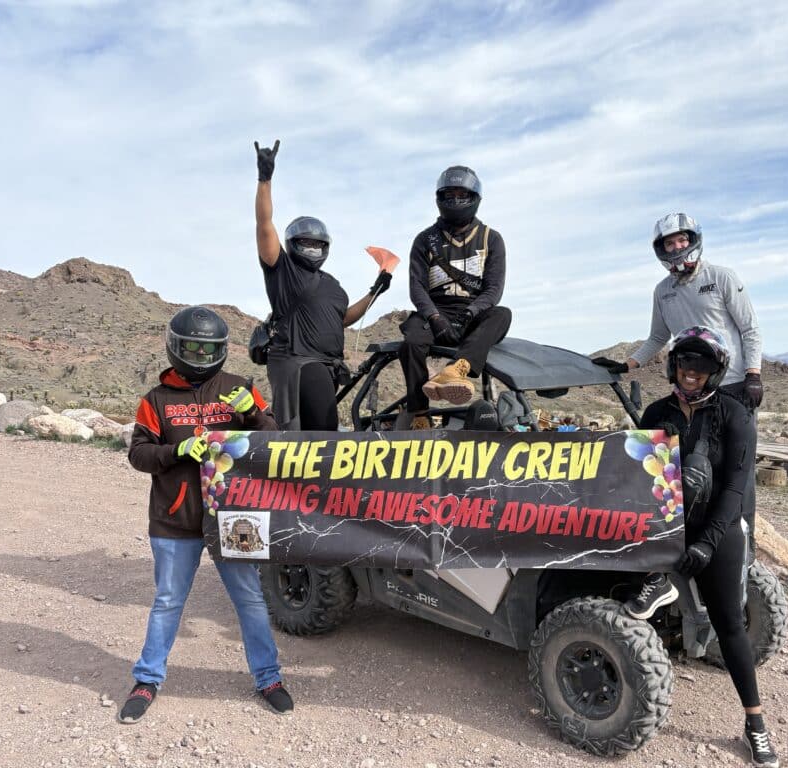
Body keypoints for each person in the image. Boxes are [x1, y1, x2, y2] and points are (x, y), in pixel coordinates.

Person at [120, 306, 293, 723]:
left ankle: (268, 678)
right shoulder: (156, 400)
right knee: (167, 602)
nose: (199, 355)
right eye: (192, 348)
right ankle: (147, 679)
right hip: (174, 520)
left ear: (220, 350)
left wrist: (251, 413)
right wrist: (176, 451)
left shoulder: (239, 387)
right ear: (176, 347)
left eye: (207, 349)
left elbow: (274, 442)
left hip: (235, 518)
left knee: (250, 600)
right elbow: (138, 454)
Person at [624, 327, 779, 768]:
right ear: (674, 366)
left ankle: (755, 724)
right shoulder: (656, 411)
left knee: (729, 624)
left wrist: (709, 543)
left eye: (702, 365)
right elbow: (637, 479)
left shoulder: (735, 414)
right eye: (685, 363)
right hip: (668, 524)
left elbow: (734, 488)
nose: (692, 373)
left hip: (718, 526)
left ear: (716, 370)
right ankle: (658, 577)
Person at [592, 212, 763, 553]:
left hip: (729, 385)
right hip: (688, 388)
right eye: (669, 243)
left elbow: (750, 329)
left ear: (694, 240)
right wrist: (627, 364)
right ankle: (685, 540)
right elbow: (658, 336)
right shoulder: (663, 291)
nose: (676, 247)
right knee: (684, 463)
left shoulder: (722, 277)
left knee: (735, 470)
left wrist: (753, 375)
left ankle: (744, 545)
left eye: (681, 240)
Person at [254, 139, 392, 430]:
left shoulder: (333, 285)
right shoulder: (283, 270)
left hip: (328, 365)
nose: (312, 248)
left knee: (316, 433)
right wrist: (265, 179)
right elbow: (265, 224)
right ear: (293, 244)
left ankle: (310, 477)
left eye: (318, 244)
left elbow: (341, 319)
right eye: (306, 243)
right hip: (298, 362)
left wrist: (375, 291)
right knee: (320, 432)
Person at [399, 165, 512, 429]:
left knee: (502, 314)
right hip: (435, 310)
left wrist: (473, 311)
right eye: (449, 195)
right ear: (440, 198)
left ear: (474, 198)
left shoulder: (490, 239)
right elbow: (417, 287)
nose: (455, 200)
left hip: (472, 311)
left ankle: (457, 368)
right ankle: (419, 413)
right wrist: (434, 317)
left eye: (462, 194)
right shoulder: (424, 239)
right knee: (411, 342)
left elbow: (493, 289)